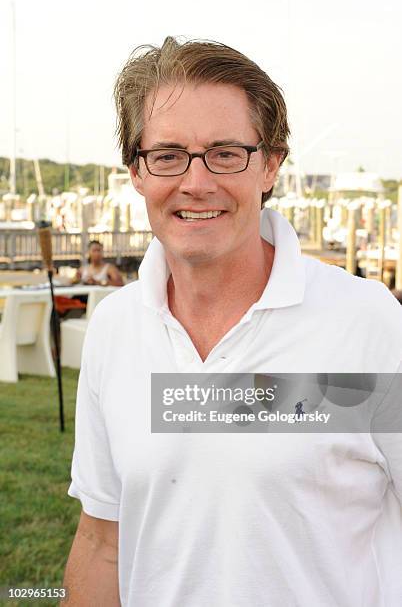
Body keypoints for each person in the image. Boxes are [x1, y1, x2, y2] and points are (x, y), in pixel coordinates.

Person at [63, 37, 402, 606]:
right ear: (136, 173)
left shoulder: (367, 325)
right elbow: (103, 541)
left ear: (270, 165)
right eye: (167, 155)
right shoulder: (115, 327)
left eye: (225, 153)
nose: (196, 183)